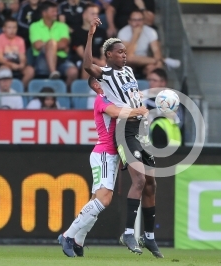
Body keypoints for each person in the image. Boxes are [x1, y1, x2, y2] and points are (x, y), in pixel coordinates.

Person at [83, 18, 163, 258]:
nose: (124, 55)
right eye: (119, 52)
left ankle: (148, 236)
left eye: (125, 52)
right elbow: (88, 65)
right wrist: (90, 35)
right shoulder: (104, 74)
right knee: (138, 181)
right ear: (108, 55)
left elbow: (130, 94)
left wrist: (138, 98)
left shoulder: (128, 71)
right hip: (124, 131)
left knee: (151, 183)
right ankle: (128, 232)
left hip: (140, 130)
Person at [58, 76, 148, 257]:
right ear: (98, 86)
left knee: (95, 200)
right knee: (104, 200)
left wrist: (137, 96)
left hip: (111, 155)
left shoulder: (115, 97)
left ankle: (78, 240)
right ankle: (67, 235)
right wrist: (138, 110)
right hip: (104, 154)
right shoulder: (102, 99)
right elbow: (116, 113)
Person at [117, 9, 180, 78]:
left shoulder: (150, 31)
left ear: (143, 21)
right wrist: (135, 36)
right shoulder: (123, 32)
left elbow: (156, 51)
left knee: (154, 67)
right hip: (127, 63)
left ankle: (150, 87)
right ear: (129, 21)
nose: (137, 23)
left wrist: (158, 63)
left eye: (140, 20)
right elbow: (127, 56)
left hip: (145, 62)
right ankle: (164, 60)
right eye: (134, 20)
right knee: (130, 58)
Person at [29, 0, 78, 87]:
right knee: (51, 42)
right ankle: (53, 72)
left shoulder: (63, 26)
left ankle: (63, 92)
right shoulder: (34, 26)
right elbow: (37, 45)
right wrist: (51, 44)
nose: (56, 14)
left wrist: (49, 46)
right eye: (53, 11)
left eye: (56, 11)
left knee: (73, 72)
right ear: (44, 13)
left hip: (61, 59)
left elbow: (64, 43)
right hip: (42, 59)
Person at [0, 17, 35, 88]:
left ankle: (19, 89)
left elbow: (22, 57)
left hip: (16, 63)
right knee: (5, 69)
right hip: (3, 63)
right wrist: (11, 65)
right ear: (4, 29)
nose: (12, 30)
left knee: (30, 70)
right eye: (9, 28)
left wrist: (22, 64)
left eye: (14, 28)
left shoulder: (20, 40)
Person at [70, 3, 107, 79]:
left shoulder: (102, 32)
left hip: (99, 61)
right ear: (84, 15)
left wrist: (102, 60)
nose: (95, 16)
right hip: (81, 61)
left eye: (97, 14)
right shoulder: (77, 32)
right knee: (87, 66)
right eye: (92, 14)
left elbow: (103, 50)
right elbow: (82, 54)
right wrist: (97, 61)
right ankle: (85, 90)